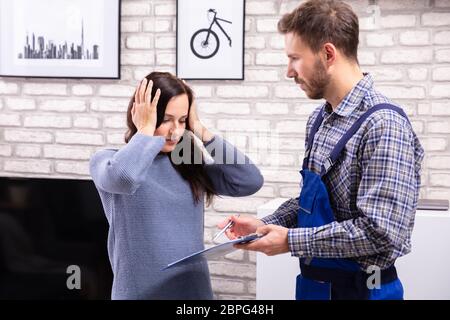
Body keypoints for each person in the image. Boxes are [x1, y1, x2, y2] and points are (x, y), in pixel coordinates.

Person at [218, 0, 424, 300]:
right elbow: (311, 202)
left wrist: (291, 241)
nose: (289, 71)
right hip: (315, 288)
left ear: (328, 54)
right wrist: (266, 225)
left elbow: (380, 231)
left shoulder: (384, 124)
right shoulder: (320, 119)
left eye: (294, 58)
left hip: (365, 291)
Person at [90, 72, 263, 299]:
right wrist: (144, 130)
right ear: (142, 116)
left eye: (182, 120)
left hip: (194, 293)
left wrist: (200, 128)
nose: (175, 131)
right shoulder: (108, 161)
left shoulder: (188, 164)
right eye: (165, 120)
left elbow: (249, 181)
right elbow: (126, 178)